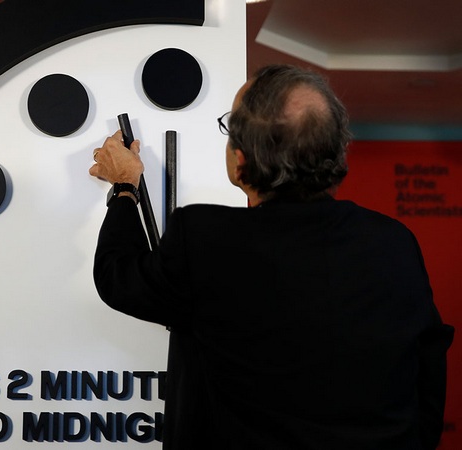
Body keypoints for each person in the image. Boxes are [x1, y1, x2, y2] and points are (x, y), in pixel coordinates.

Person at [88, 64, 454, 449]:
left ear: (241, 159)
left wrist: (125, 186)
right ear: (335, 150)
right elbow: (428, 366)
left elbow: (117, 277)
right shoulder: (393, 242)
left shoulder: (205, 240)